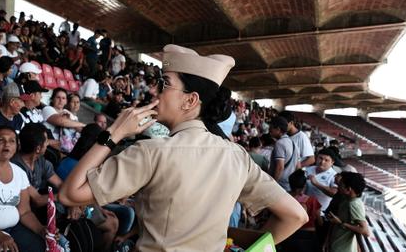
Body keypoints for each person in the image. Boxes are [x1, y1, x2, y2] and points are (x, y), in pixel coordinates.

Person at [59, 44, 308, 251]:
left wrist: (114, 132)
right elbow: (295, 216)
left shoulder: (152, 152)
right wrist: (227, 237)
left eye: (164, 83)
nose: (153, 90)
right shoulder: (236, 156)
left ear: (190, 100)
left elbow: (70, 195)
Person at [11, 123, 63, 207]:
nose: (47, 144)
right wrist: (65, 198)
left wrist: (73, 203)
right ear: (38, 149)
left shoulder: (40, 160)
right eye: (46, 141)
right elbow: (37, 200)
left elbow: (60, 184)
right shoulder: (15, 167)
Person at [279, 169, 322, 252]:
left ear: (290, 183)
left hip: (288, 234)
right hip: (308, 237)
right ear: (304, 185)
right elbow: (320, 222)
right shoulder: (312, 201)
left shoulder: (283, 198)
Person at [326, 172, 370, 252]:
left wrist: (341, 223)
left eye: (341, 185)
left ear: (348, 189)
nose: (338, 186)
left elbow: (365, 231)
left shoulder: (354, 204)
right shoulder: (346, 199)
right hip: (335, 245)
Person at [42, 88, 85, 153]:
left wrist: (83, 127)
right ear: (52, 99)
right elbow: (62, 122)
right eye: (58, 97)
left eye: (63, 98)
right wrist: (83, 124)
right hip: (49, 146)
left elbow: (79, 128)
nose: (60, 100)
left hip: (65, 147)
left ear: (66, 101)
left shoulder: (68, 113)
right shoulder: (47, 109)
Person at [269, 116, 301, 191]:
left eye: (271, 129)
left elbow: (280, 167)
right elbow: (298, 166)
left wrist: (273, 184)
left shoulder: (280, 143)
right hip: (289, 185)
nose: (269, 131)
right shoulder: (293, 143)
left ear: (278, 129)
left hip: (280, 185)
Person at [305, 148, 338, 212]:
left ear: (332, 162)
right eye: (320, 158)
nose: (322, 162)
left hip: (320, 212)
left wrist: (316, 184)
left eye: (326, 160)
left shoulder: (334, 175)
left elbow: (334, 193)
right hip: (304, 207)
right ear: (316, 158)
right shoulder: (308, 169)